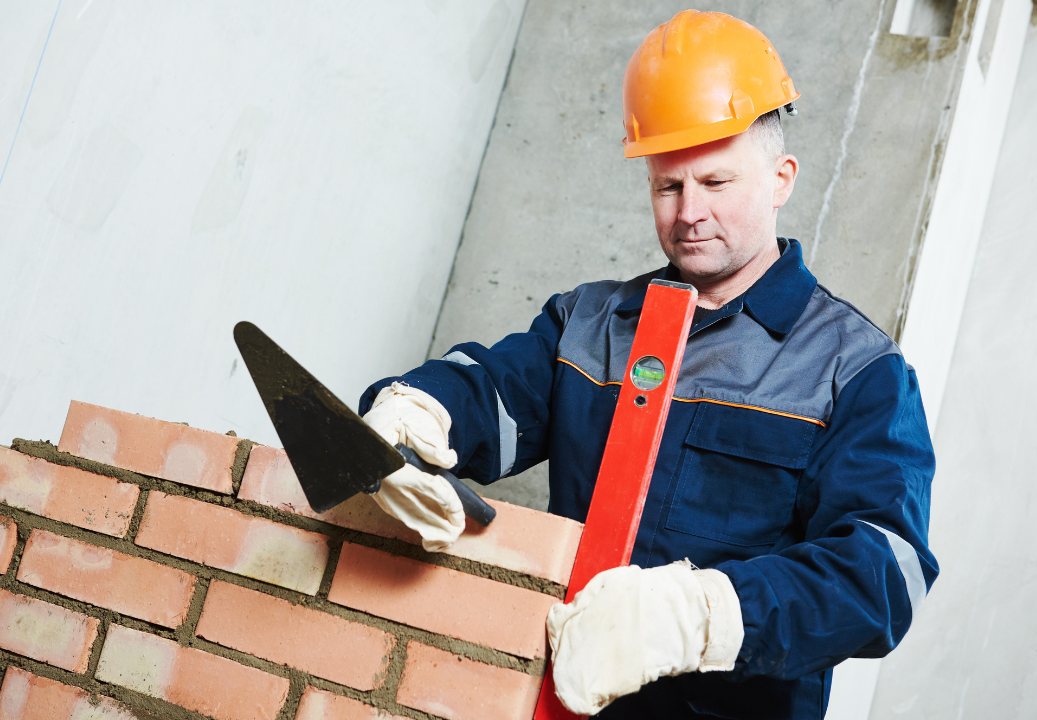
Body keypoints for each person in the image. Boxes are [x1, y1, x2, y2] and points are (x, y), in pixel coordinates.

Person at [359, 11, 937, 719]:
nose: (689, 212)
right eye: (669, 186)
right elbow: (490, 391)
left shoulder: (857, 370)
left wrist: (702, 615)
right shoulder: (591, 323)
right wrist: (416, 406)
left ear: (781, 179)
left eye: (717, 182)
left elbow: (883, 577)